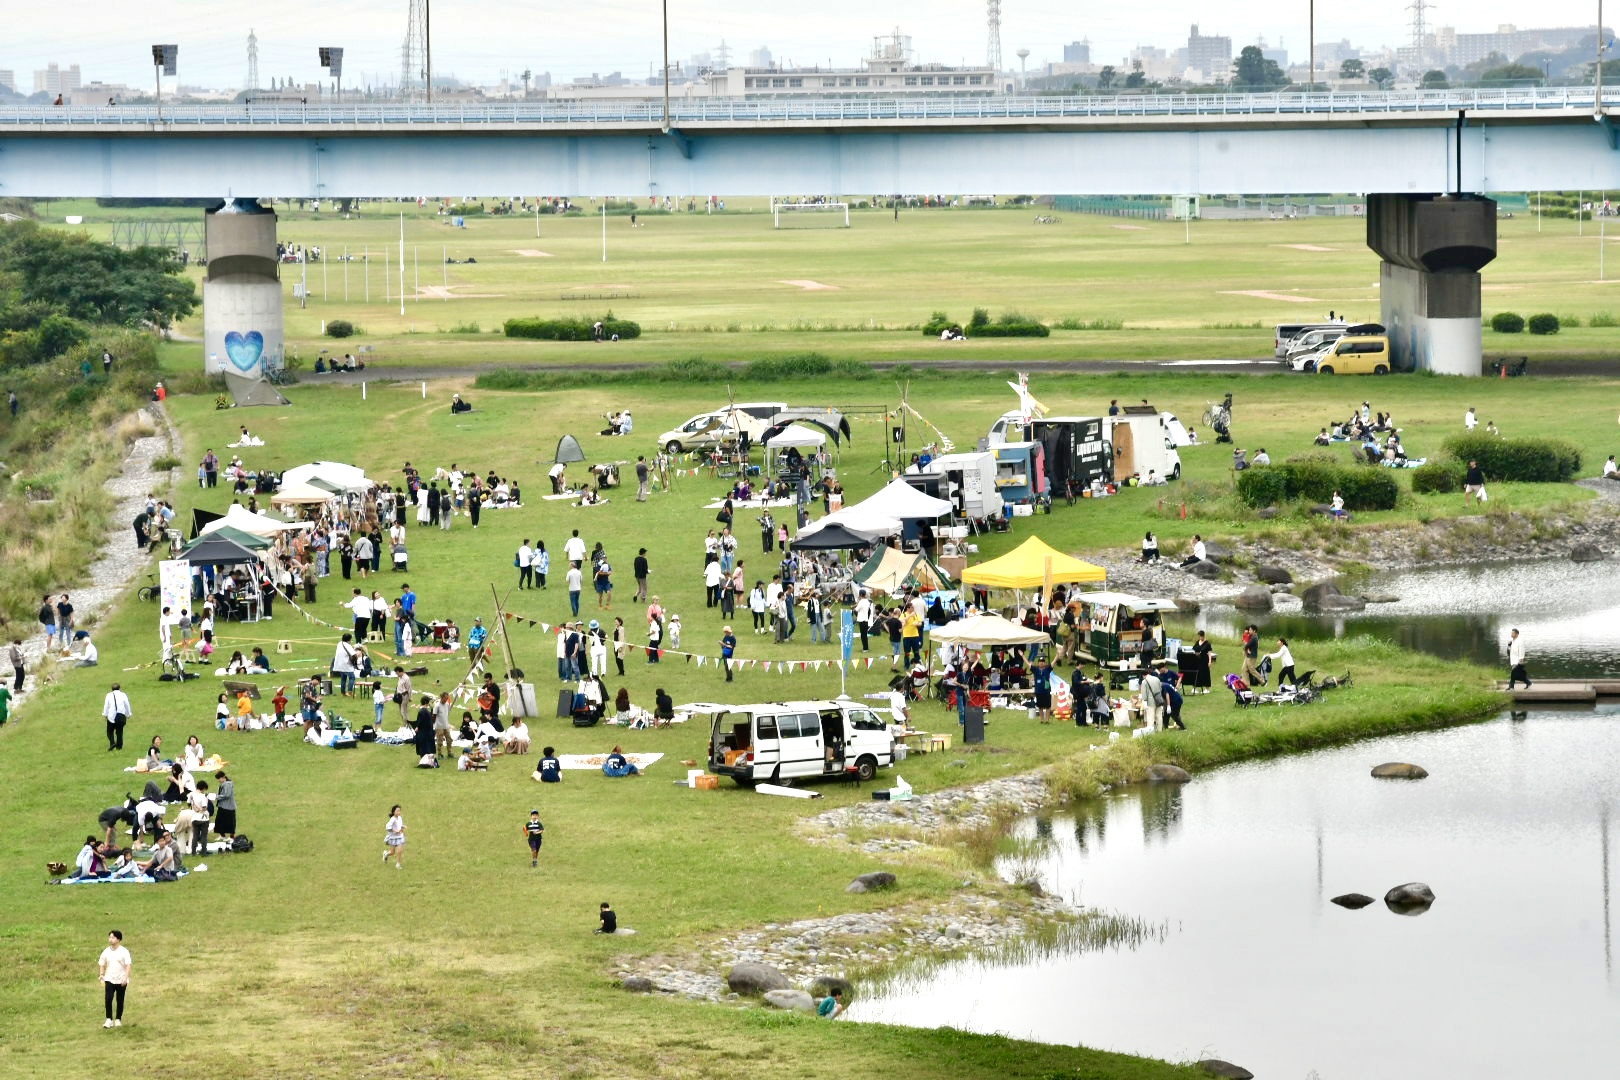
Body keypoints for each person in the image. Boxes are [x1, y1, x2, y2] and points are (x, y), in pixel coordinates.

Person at [99, 930, 132, 1028]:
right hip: (109, 978)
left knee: (120, 999)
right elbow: (102, 963)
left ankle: (118, 1019)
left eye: (112, 937)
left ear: (118, 939)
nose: (110, 939)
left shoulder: (124, 951)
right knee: (108, 998)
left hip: (121, 979)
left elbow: (128, 965)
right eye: (109, 937)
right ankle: (109, 1019)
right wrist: (101, 974)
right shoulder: (106, 951)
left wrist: (125, 977)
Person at [102, 683, 131, 752]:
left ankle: (112, 743)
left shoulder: (108, 695)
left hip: (111, 717)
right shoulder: (123, 695)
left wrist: (105, 714)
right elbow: (127, 704)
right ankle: (119, 747)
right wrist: (128, 714)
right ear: (119, 688)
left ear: (112, 689)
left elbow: (106, 705)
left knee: (109, 732)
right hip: (120, 716)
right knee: (119, 732)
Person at [213, 770, 237, 841]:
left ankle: (231, 837)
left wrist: (216, 797)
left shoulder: (227, 784)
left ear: (223, 777)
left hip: (228, 807)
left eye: (219, 778)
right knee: (219, 822)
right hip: (222, 806)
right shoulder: (223, 783)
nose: (218, 780)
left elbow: (227, 795)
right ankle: (222, 836)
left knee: (230, 822)